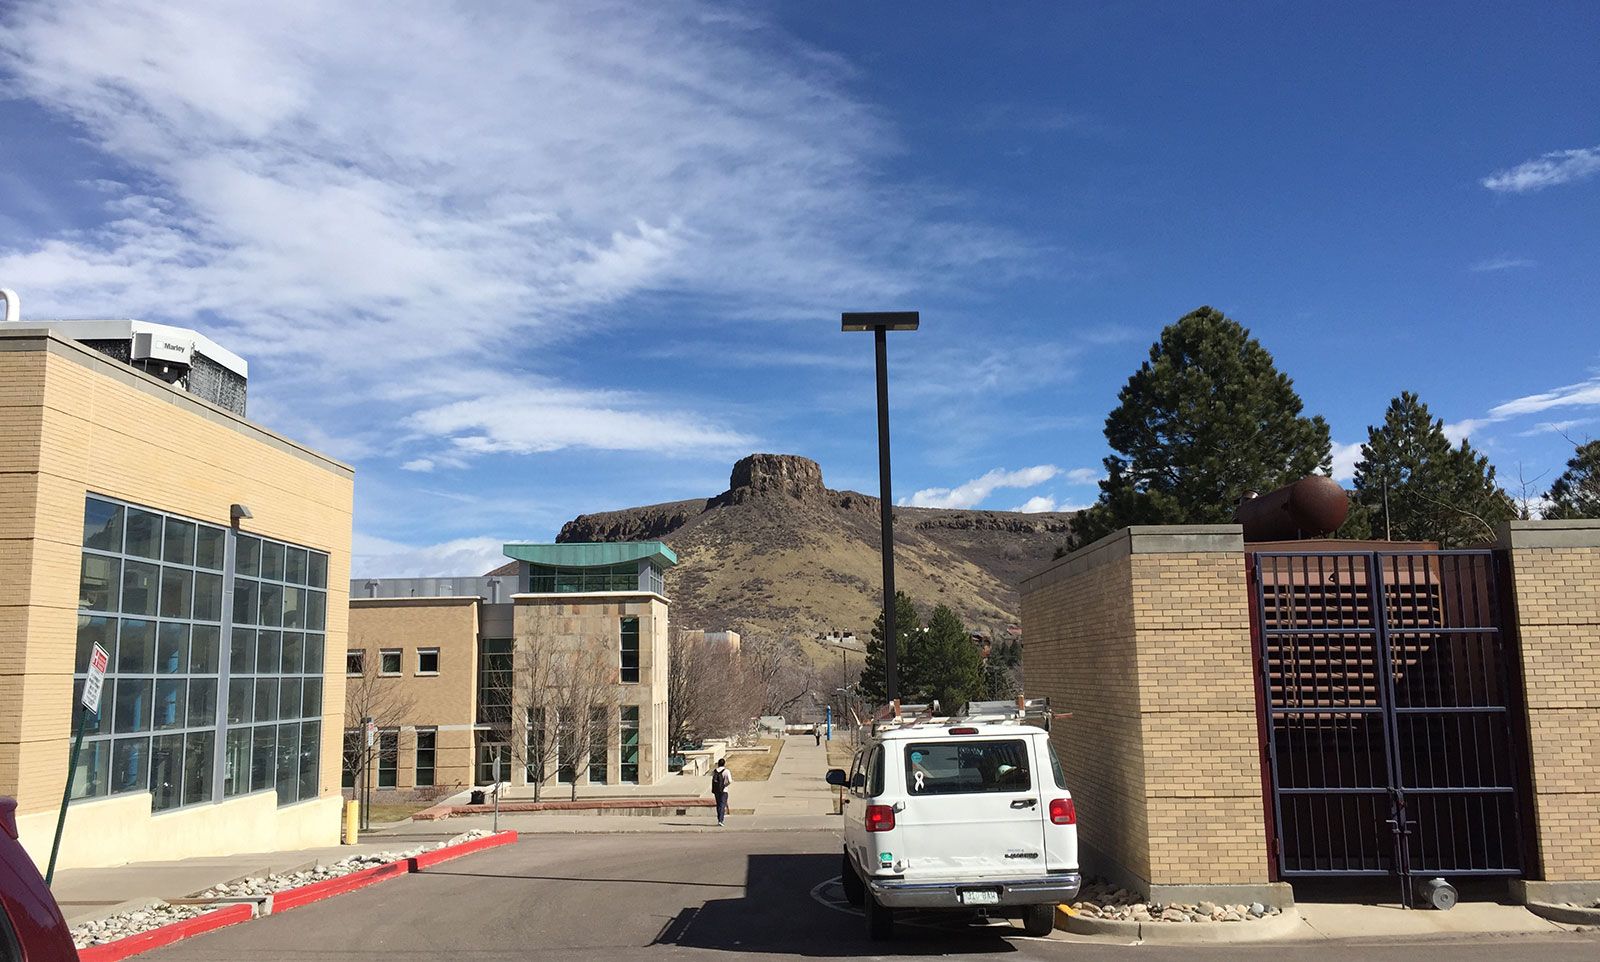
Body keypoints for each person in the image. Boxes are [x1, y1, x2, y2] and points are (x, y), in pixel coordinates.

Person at [711, 758, 733, 826]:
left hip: (716, 790)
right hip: (724, 790)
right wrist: (725, 785)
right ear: (724, 763)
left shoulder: (715, 771)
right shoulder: (726, 771)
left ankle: (719, 819)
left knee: (718, 805)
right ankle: (721, 820)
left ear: (718, 763)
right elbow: (730, 781)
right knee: (722, 805)